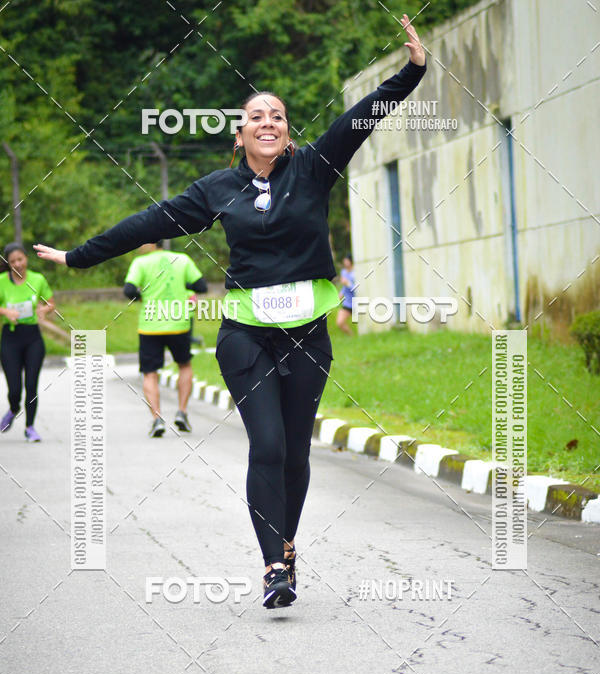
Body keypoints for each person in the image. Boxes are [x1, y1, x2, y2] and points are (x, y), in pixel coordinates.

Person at [34, 13, 426, 608]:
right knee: (266, 446)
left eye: (277, 116)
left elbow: (365, 114)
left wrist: (414, 70)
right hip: (245, 338)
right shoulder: (218, 189)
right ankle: (274, 566)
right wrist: (76, 256)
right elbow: (149, 221)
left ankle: (285, 545)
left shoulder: (316, 168)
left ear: (288, 134)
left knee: (295, 454)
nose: (267, 122)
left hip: (308, 339)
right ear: (238, 136)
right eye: (255, 117)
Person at [123, 240, 207, 436]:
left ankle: (157, 419)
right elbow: (201, 286)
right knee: (184, 365)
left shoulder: (140, 263)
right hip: (179, 324)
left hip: (150, 326)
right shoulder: (182, 259)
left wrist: (144, 298)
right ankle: (182, 412)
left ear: (151, 242)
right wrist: (182, 288)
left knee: (150, 372)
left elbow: (128, 290)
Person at [0, 243, 55, 442]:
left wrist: (44, 310)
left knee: (31, 385)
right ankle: (13, 409)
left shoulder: (37, 279)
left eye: (20, 259)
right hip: (10, 338)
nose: (17, 264)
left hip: (32, 338)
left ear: (26, 259)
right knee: (15, 389)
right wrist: (6, 312)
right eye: (13, 261)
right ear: (8, 263)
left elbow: (51, 302)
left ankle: (30, 427)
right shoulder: (1, 282)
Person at [337, 254, 356, 335]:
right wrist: (340, 295)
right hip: (348, 303)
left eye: (347, 261)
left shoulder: (356, 273)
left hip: (357, 302)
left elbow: (358, 289)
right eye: (344, 261)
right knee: (339, 322)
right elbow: (344, 287)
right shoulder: (343, 272)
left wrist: (348, 283)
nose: (345, 263)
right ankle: (352, 336)